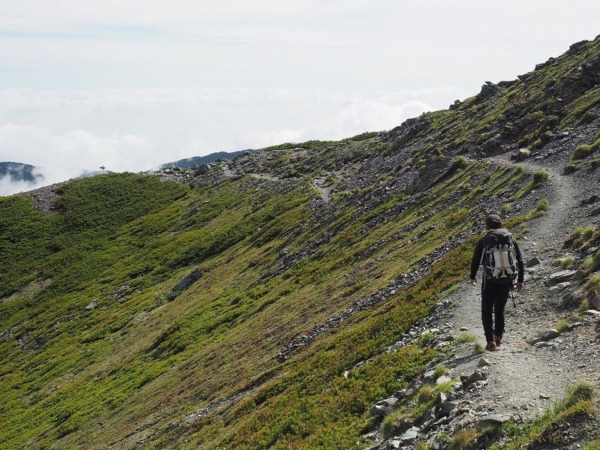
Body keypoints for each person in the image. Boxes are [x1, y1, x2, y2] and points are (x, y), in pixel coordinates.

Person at [470, 214, 524, 351]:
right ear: (501, 224)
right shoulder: (510, 237)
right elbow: (519, 258)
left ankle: (490, 341)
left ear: (487, 226)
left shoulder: (485, 240)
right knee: (500, 308)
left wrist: (473, 276)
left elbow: (476, 259)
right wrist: (521, 280)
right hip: (506, 280)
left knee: (487, 311)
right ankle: (499, 337)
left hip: (489, 281)